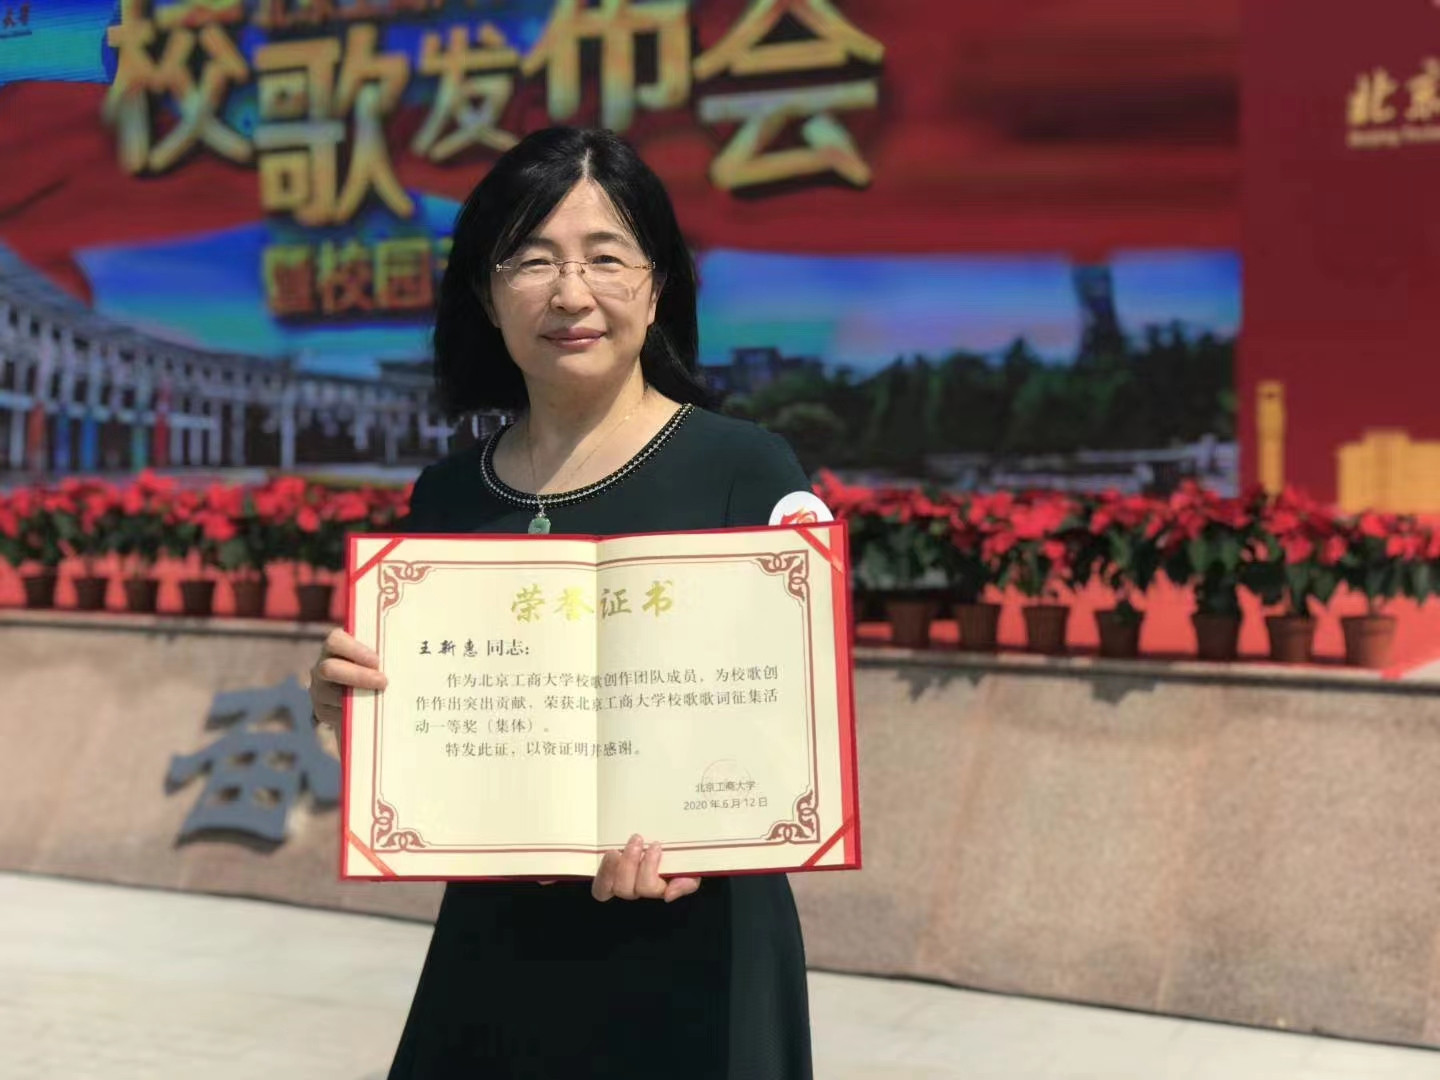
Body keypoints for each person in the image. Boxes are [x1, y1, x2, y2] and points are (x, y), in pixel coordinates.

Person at [309, 126, 815, 1079]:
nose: (571, 294)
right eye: (533, 261)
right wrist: (359, 713)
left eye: (606, 258)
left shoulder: (745, 471)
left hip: (699, 958)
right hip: (499, 952)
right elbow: (435, 743)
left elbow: (797, 719)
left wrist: (706, 835)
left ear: (658, 286)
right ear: (485, 294)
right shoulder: (446, 498)